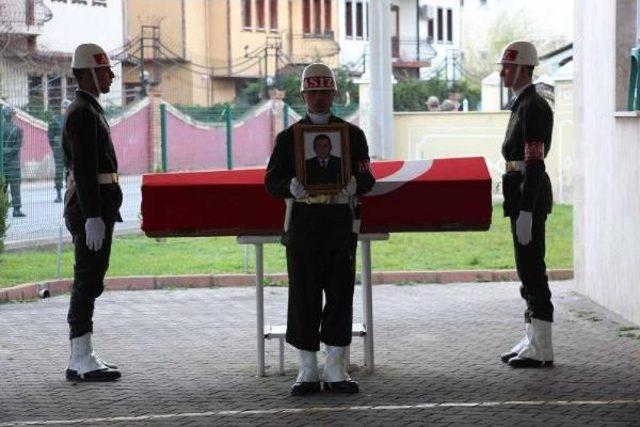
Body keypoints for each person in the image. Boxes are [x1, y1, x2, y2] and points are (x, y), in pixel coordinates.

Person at [265, 63, 375, 396]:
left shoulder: (353, 136)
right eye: (313, 92)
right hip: (304, 228)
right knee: (303, 297)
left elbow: (368, 178)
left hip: (339, 226)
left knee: (341, 296)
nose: (319, 98)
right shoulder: (288, 139)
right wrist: (291, 187)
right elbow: (271, 182)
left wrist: (355, 184)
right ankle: (308, 369)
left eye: (325, 91)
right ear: (303, 96)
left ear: (334, 94)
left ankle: (336, 368)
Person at [63, 43, 122, 381]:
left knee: (91, 278)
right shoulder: (83, 113)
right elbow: (85, 169)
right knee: (86, 280)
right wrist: (92, 216)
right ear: (88, 73)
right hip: (90, 207)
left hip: (96, 205)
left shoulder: (90, 109)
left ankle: (83, 353)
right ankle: (80, 357)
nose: (111, 75)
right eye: (104, 70)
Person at [497, 41, 554, 368]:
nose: (502, 71)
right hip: (520, 194)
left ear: (522, 68)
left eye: (507, 66)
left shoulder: (533, 106)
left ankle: (542, 346)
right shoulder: (523, 103)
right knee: (526, 268)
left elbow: (534, 162)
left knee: (533, 269)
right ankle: (532, 336)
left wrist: (528, 210)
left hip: (527, 195)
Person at [1, 105, 25, 217]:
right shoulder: (18, 130)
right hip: (14, 164)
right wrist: (9, 152)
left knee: (2, 189)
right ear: (12, 116)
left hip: (2, 165)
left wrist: (3, 152)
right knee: (15, 187)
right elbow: (17, 148)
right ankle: (16, 210)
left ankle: (2, 210)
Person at [48, 99, 70, 203]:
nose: (65, 110)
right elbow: (50, 137)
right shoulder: (55, 119)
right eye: (64, 107)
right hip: (61, 150)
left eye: (66, 107)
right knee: (59, 172)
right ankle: (59, 194)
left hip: (69, 150)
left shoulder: (72, 119)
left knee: (69, 171)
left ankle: (68, 192)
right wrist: (56, 148)